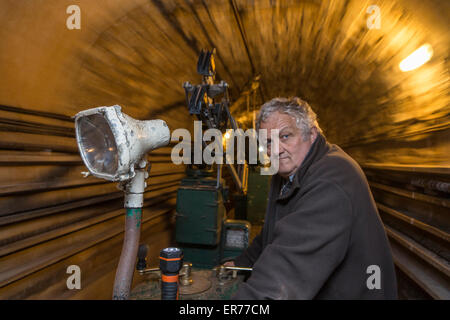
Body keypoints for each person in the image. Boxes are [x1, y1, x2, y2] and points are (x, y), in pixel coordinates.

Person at [228, 97, 397, 299]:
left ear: (312, 134)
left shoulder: (332, 180)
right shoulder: (287, 173)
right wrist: (241, 263)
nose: (276, 150)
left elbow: (284, 276)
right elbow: (272, 233)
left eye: (285, 136)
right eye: (268, 142)